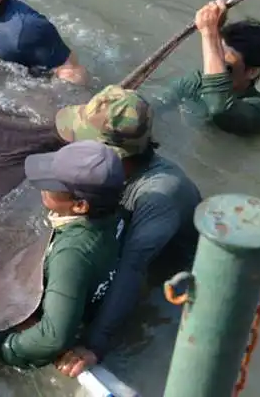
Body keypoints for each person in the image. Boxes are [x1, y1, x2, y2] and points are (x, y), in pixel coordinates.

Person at [51, 86, 202, 378]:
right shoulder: (114, 174)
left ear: (114, 154)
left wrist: (94, 345)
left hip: (173, 278)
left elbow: (133, 270)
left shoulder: (159, 195)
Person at [0, 140, 125, 370]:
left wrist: (11, 348)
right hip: (85, 292)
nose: (42, 188)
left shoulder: (71, 254)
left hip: (57, 314)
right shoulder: (116, 211)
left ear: (79, 206)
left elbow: (54, 337)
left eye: (50, 186)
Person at [160, 0, 260, 136]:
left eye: (225, 66)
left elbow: (218, 109)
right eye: (214, 59)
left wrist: (209, 34)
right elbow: (156, 107)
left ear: (252, 72)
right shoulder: (195, 83)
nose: (215, 69)